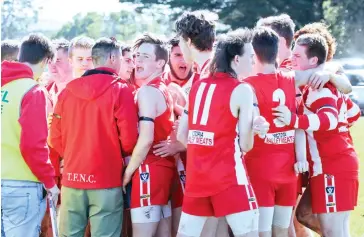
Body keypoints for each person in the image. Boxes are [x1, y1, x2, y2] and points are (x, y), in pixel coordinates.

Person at [176, 28, 270, 237]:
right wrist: (254, 131)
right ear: (237, 59)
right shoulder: (242, 89)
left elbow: (182, 135)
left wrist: (206, 151)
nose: (253, 61)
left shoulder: (198, 85)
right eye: (250, 57)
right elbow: (246, 145)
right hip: (230, 178)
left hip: (197, 178)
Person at [49, 37, 138, 237]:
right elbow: (130, 139)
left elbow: (54, 138)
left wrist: (73, 154)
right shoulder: (121, 89)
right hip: (106, 179)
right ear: (114, 58)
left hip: (72, 179)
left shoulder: (67, 91)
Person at [273, 34, 359, 237]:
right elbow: (353, 113)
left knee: (333, 230)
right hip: (332, 164)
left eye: (297, 56)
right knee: (307, 215)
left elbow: (328, 120)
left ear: (313, 61)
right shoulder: (317, 84)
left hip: (333, 166)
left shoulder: (319, 88)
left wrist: (293, 120)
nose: (292, 60)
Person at [1, 33, 59, 237]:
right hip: (22, 184)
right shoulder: (33, 91)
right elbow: (33, 145)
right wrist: (50, 182)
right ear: (45, 61)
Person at [122, 33, 175, 237]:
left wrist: (127, 173)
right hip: (160, 168)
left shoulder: (148, 92)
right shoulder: (161, 88)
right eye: (137, 56)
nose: (138, 61)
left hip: (149, 169)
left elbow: (146, 139)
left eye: (145, 56)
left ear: (160, 62)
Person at [175, 11, 215, 77]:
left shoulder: (209, 75)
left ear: (188, 41)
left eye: (180, 41)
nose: (179, 45)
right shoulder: (219, 68)